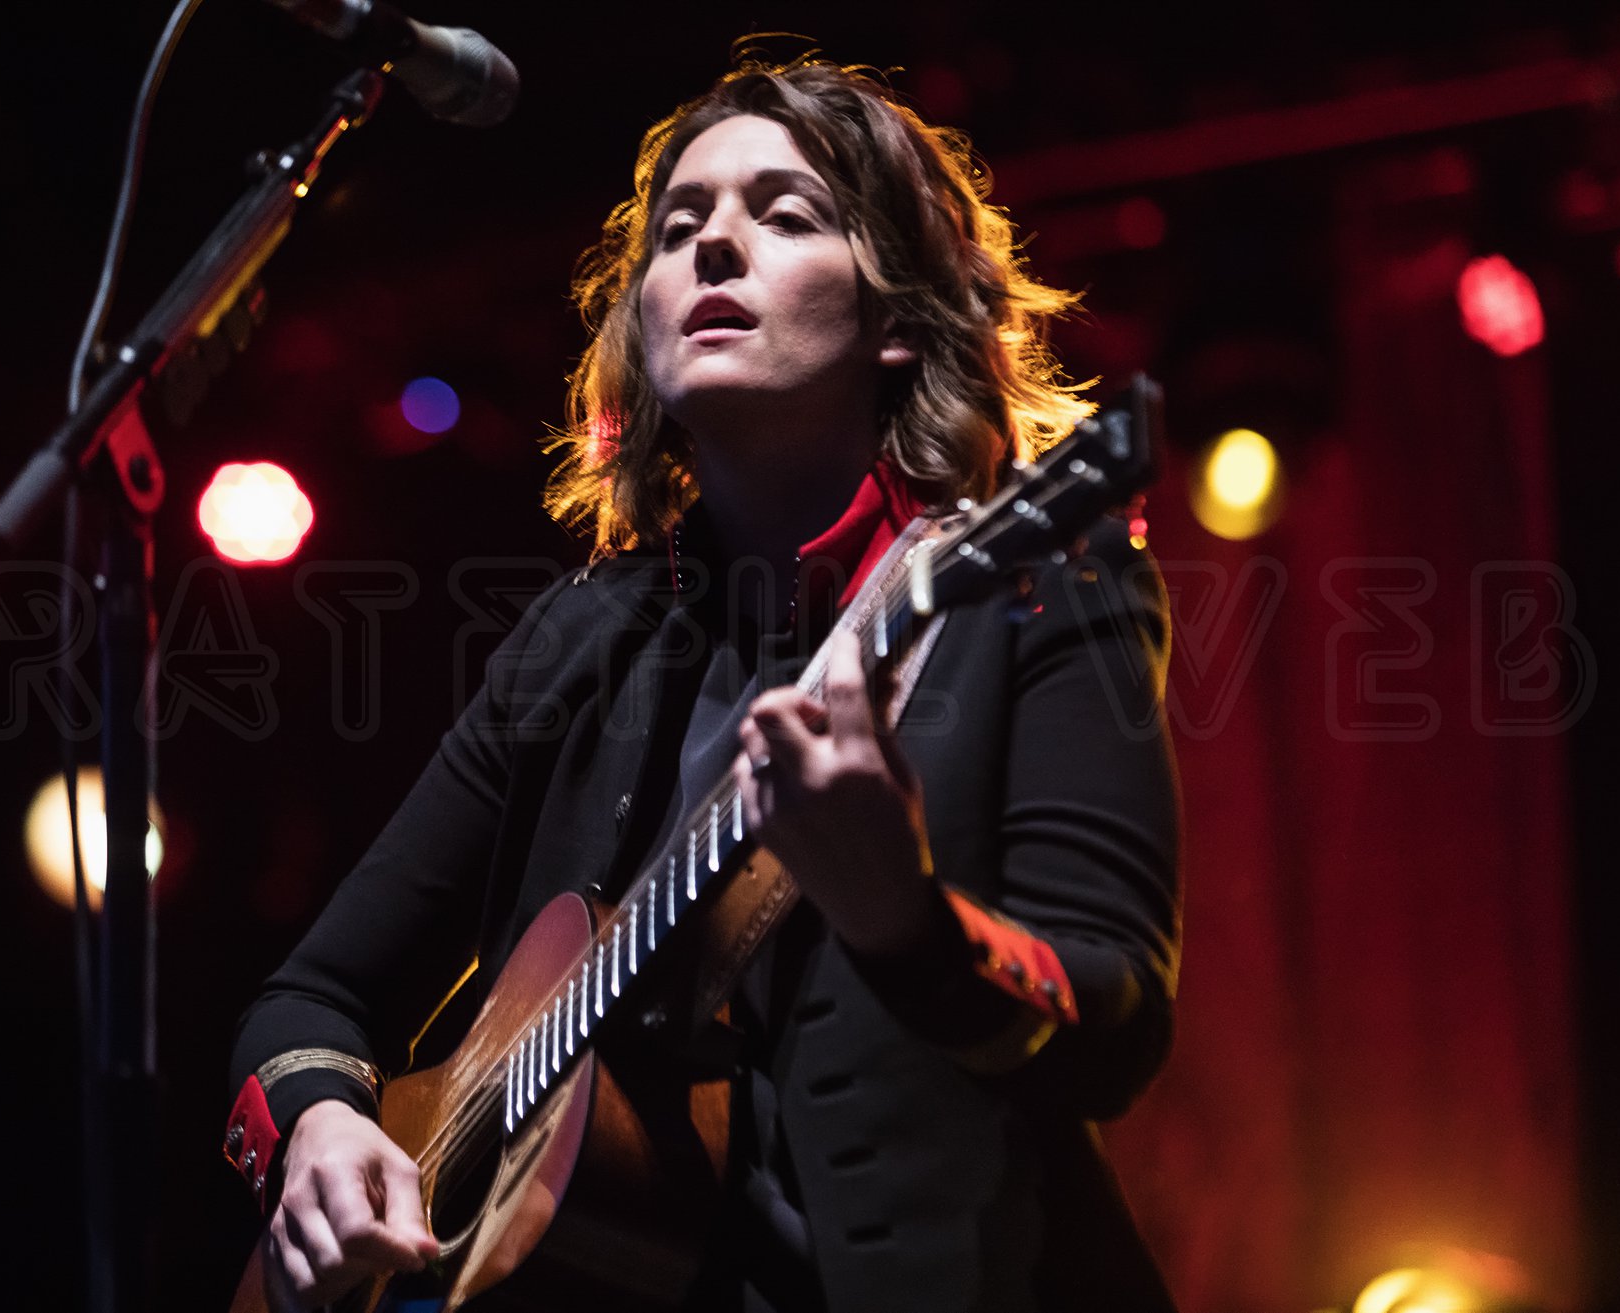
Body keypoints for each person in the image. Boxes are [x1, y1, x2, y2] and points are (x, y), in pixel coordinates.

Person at [226, 53, 1181, 1313]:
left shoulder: (1029, 589)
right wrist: (315, 1125)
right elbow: (313, 996)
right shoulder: (576, 640)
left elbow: (1112, 1025)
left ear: (899, 319)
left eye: (784, 215)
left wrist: (906, 919)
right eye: (678, 231)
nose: (712, 247)